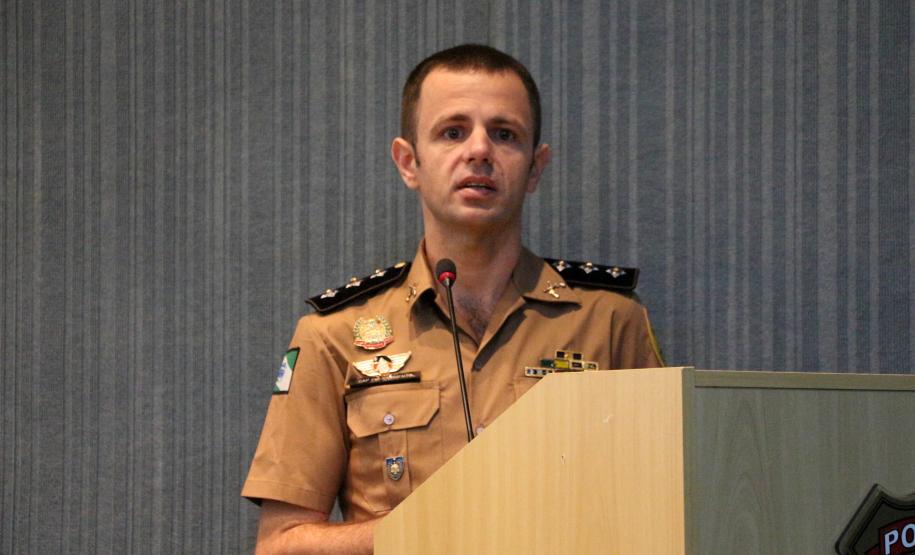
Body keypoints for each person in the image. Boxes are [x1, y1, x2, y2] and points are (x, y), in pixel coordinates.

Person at [242, 44, 664, 553]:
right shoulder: (335, 333)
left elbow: (665, 513)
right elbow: (281, 544)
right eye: (452, 132)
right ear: (408, 162)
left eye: (504, 134)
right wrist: (432, 527)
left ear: (535, 167)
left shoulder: (609, 319)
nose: (479, 150)